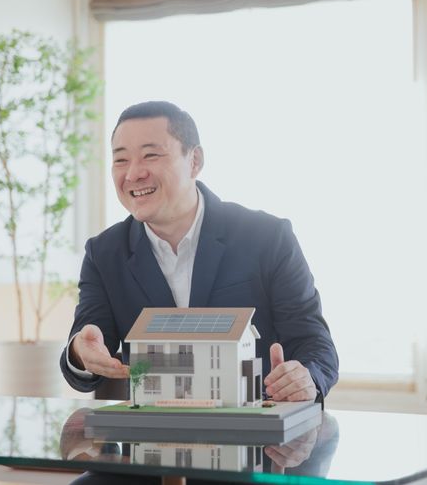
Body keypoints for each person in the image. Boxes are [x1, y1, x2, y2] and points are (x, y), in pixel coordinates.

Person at [59, 100, 338, 403]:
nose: (134, 173)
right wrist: (80, 352)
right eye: (121, 160)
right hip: (153, 429)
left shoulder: (268, 237)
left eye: (151, 155)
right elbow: (88, 344)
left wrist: (306, 377)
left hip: (257, 426)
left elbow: (315, 344)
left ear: (195, 161)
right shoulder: (104, 253)